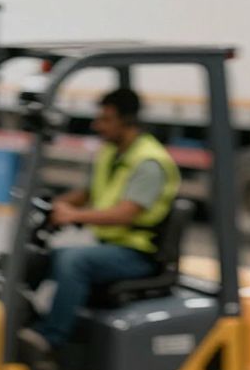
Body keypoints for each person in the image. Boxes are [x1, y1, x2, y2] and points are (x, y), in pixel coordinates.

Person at [28, 88, 181, 354]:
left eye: (106, 119)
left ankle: (51, 340)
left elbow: (125, 213)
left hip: (139, 255)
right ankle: (23, 326)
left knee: (73, 261)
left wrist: (74, 216)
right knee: (39, 258)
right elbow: (88, 193)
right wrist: (57, 207)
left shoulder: (149, 162)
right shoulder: (111, 152)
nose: (97, 125)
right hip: (112, 249)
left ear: (128, 121)